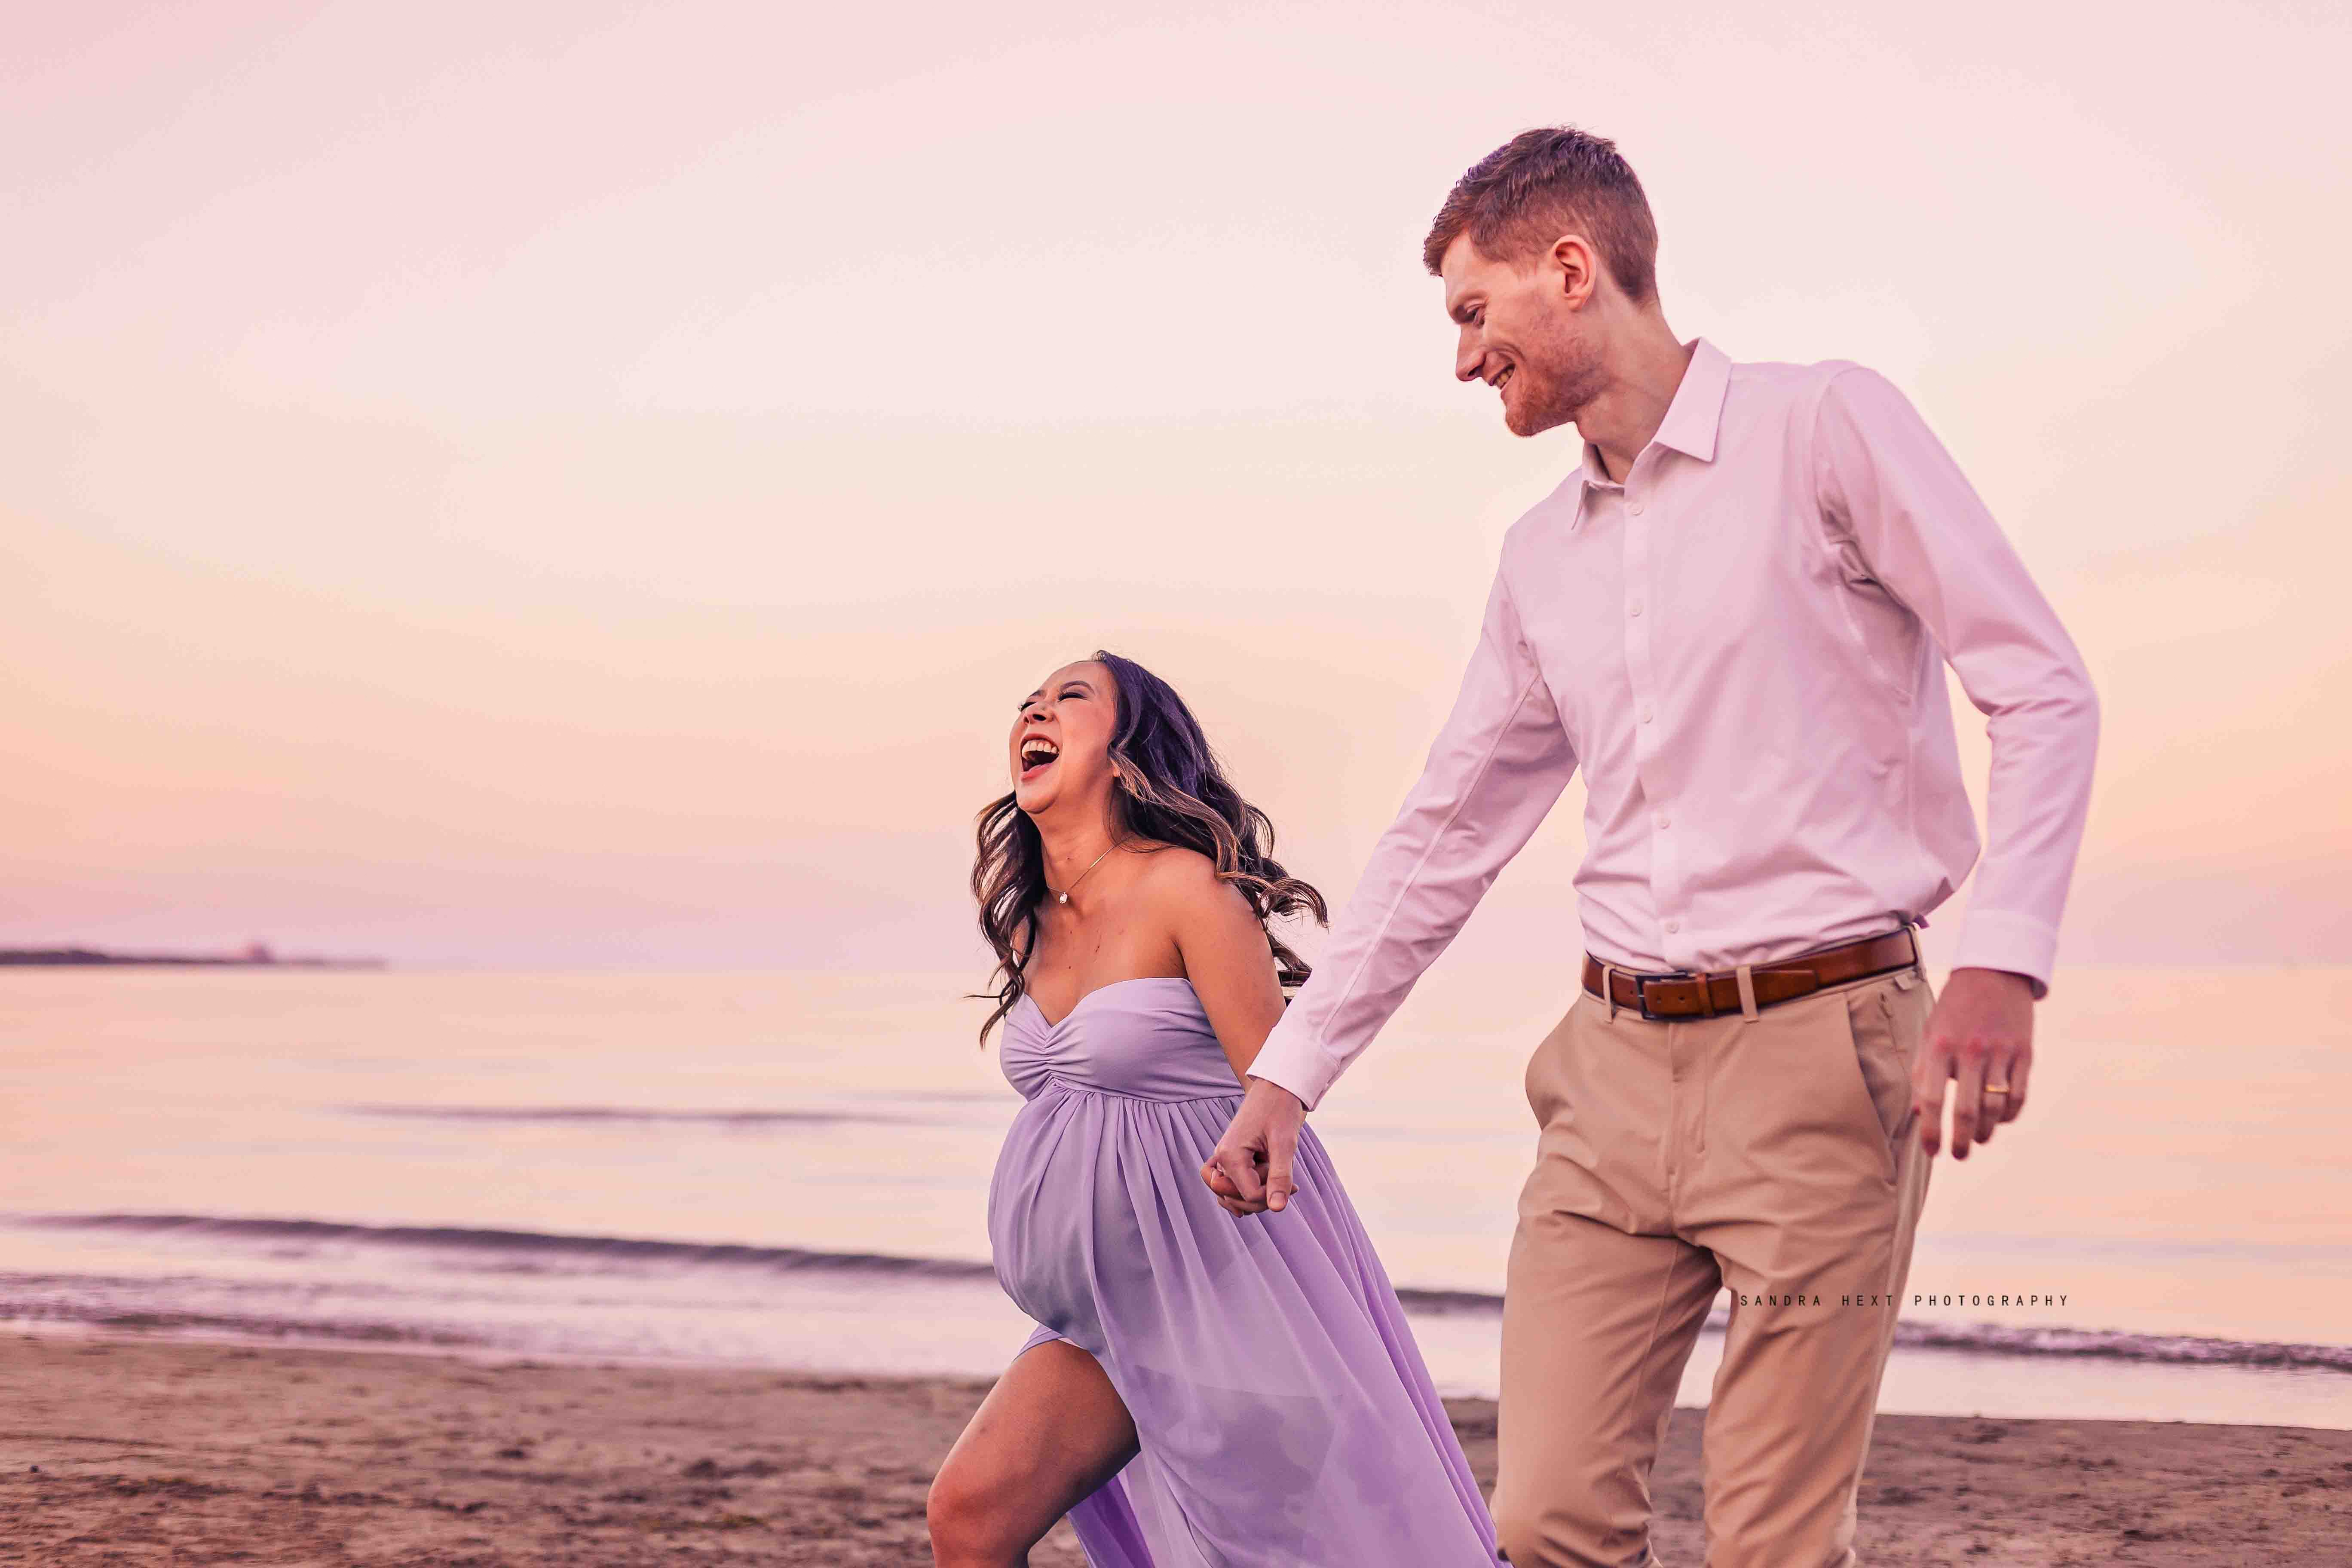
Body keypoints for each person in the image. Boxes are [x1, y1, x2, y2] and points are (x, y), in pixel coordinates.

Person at [1205, 127, 2100, 1568]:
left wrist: (2004, 955)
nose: (1460, 360)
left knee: (1770, 1540)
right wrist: (1289, 1073)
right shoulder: (1538, 558)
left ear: (1571, 270)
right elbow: (1445, 833)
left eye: (1470, 313)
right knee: (1544, 1519)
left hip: (1827, 1055)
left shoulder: (1825, 428)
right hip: (1606, 1076)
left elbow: (2041, 684)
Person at [928, 649, 1503, 1567]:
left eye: (1069, 699)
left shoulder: (1187, 887)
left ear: (1125, 754)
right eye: (1028, 702)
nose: (1036, 711)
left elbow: (1277, 1086)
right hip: (1105, 1315)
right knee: (968, 1517)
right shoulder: (1035, 915)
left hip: (1221, 1292)